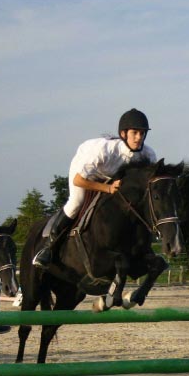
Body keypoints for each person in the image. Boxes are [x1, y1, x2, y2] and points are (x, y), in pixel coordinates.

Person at [32, 108, 158, 267]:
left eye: (142, 133)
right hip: (85, 174)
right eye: (135, 133)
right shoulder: (104, 151)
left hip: (111, 176)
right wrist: (108, 189)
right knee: (76, 202)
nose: (139, 137)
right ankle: (48, 247)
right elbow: (79, 180)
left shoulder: (148, 154)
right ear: (124, 133)